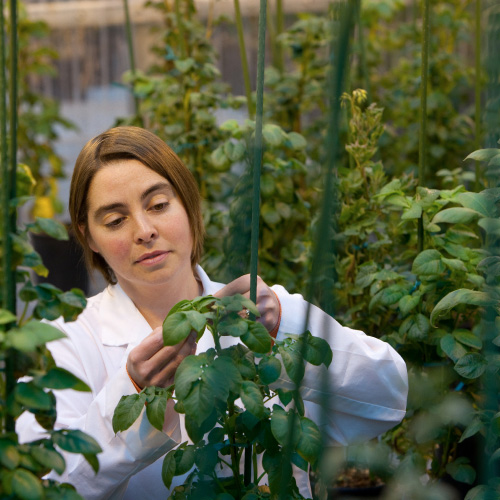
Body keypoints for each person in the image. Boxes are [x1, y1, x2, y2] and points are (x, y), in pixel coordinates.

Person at [17, 126, 408, 499]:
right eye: (115, 220)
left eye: (158, 204)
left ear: (188, 204)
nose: (144, 229)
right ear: (89, 236)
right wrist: (132, 395)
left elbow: (389, 396)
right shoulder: (64, 344)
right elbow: (44, 486)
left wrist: (281, 335)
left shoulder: (265, 313)